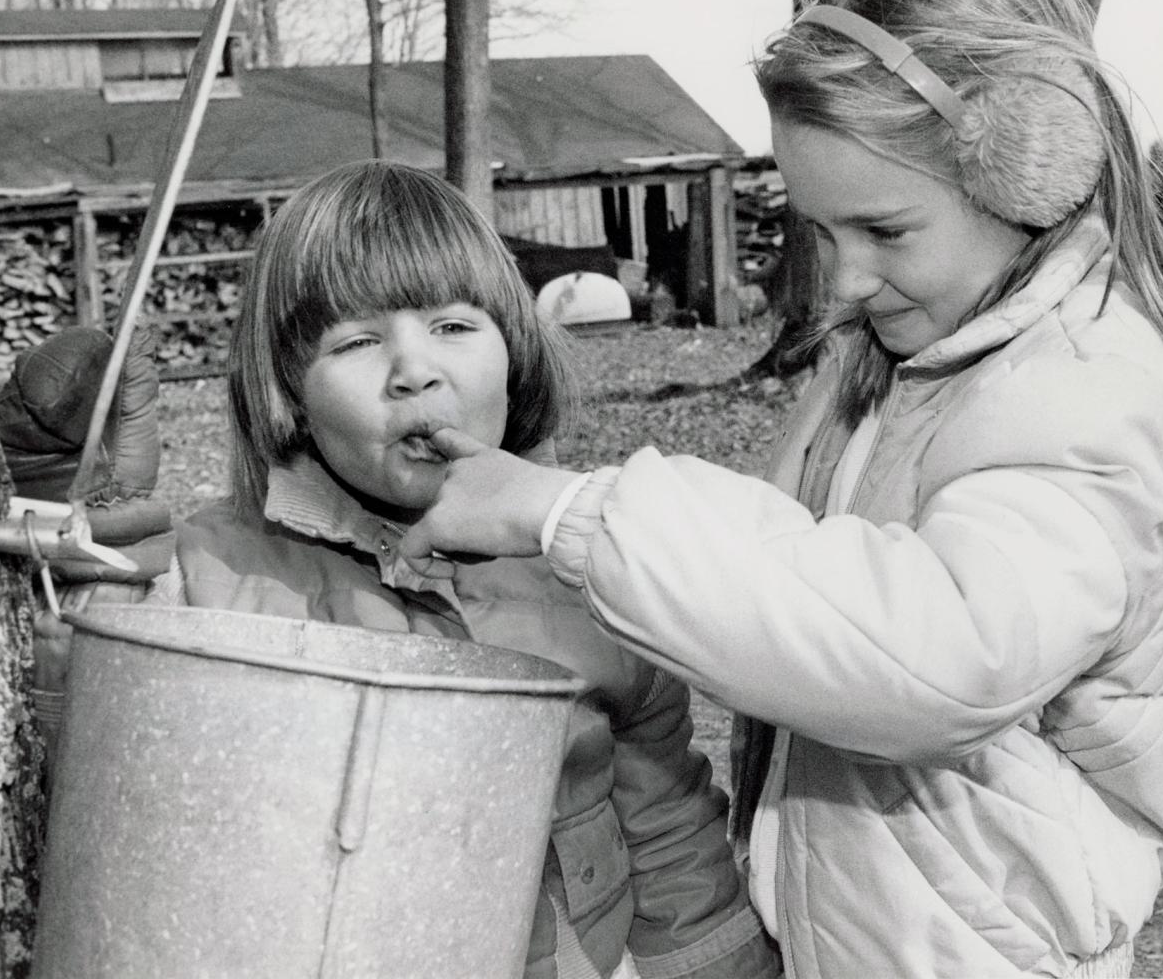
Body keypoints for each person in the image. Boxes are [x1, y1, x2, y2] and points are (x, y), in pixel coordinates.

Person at [400, 0, 1163, 979]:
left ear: (1032, 169)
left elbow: (939, 657)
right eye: (820, 232)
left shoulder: (1088, 387)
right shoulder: (891, 357)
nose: (841, 280)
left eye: (883, 231)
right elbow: (789, 591)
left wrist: (565, 514)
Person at [149, 161, 780, 979]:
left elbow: (666, 826)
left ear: (513, 352)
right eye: (358, 341)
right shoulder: (210, 579)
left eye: (452, 326)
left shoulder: (587, 559)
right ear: (289, 392)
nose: (415, 369)